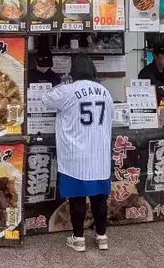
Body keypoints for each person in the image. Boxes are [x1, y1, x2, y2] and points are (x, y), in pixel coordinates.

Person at [41, 54, 114, 252]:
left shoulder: (68, 90)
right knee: (100, 198)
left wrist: (64, 82)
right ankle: (102, 236)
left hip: (76, 155)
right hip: (99, 154)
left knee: (77, 198)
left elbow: (45, 99)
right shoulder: (104, 91)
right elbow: (111, 117)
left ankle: (79, 238)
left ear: (73, 72)